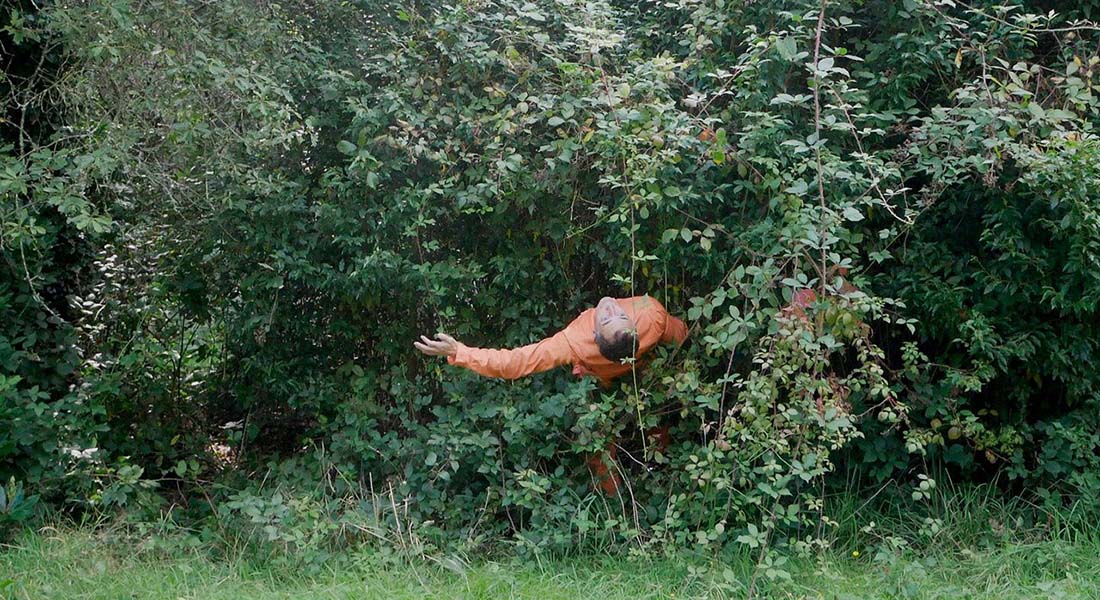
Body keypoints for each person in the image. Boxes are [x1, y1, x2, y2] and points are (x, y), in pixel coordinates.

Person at [414, 295, 688, 494]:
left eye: (610, 318)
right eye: (614, 316)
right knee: (598, 444)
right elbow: (681, 337)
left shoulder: (587, 337)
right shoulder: (648, 314)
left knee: (655, 424)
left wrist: (462, 352)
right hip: (605, 383)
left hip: (642, 375)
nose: (610, 307)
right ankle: (615, 504)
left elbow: (516, 362)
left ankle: (656, 482)